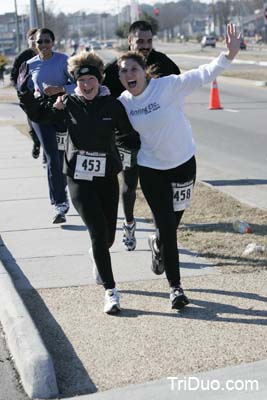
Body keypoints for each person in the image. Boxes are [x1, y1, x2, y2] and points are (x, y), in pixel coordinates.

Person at [117, 23, 241, 310]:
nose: (128, 75)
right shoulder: (123, 102)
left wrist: (229, 55)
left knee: (172, 224)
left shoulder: (167, 87)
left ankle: (159, 243)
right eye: (123, 72)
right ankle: (176, 288)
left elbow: (203, 74)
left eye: (133, 69)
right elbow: (95, 107)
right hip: (151, 169)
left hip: (184, 164)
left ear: (143, 70)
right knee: (168, 228)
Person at [17, 51, 140, 314]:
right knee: (97, 231)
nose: (86, 85)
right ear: (75, 82)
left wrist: (129, 156)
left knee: (107, 236)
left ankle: (98, 256)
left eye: (90, 80)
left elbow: (128, 135)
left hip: (107, 177)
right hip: (78, 178)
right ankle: (111, 291)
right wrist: (25, 93)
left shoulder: (113, 105)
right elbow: (39, 115)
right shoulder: (67, 103)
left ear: (99, 79)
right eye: (81, 81)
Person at [103, 20, 181, 252]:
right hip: (128, 140)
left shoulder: (163, 63)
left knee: (159, 190)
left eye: (148, 41)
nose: (145, 45)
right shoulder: (116, 68)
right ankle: (128, 223)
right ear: (130, 41)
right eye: (140, 41)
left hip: (156, 140)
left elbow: (177, 87)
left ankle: (160, 239)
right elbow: (103, 98)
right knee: (129, 184)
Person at [24, 28, 76, 224]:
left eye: (47, 41)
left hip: (62, 112)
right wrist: (34, 96)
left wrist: (60, 90)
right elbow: (25, 91)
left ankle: (64, 190)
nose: (43, 45)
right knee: (52, 156)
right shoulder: (30, 64)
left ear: (53, 42)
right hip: (41, 114)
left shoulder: (64, 61)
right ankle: (59, 204)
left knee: (62, 156)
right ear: (34, 44)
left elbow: (79, 85)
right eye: (40, 42)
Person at [10, 28, 42, 159]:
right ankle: (36, 142)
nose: (35, 41)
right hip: (29, 96)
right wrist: (21, 91)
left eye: (38, 38)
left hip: (47, 96)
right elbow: (14, 76)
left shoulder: (49, 55)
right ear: (28, 40)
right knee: (33, 122)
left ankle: (48, 151)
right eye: (32, 38)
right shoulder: (23, 57)